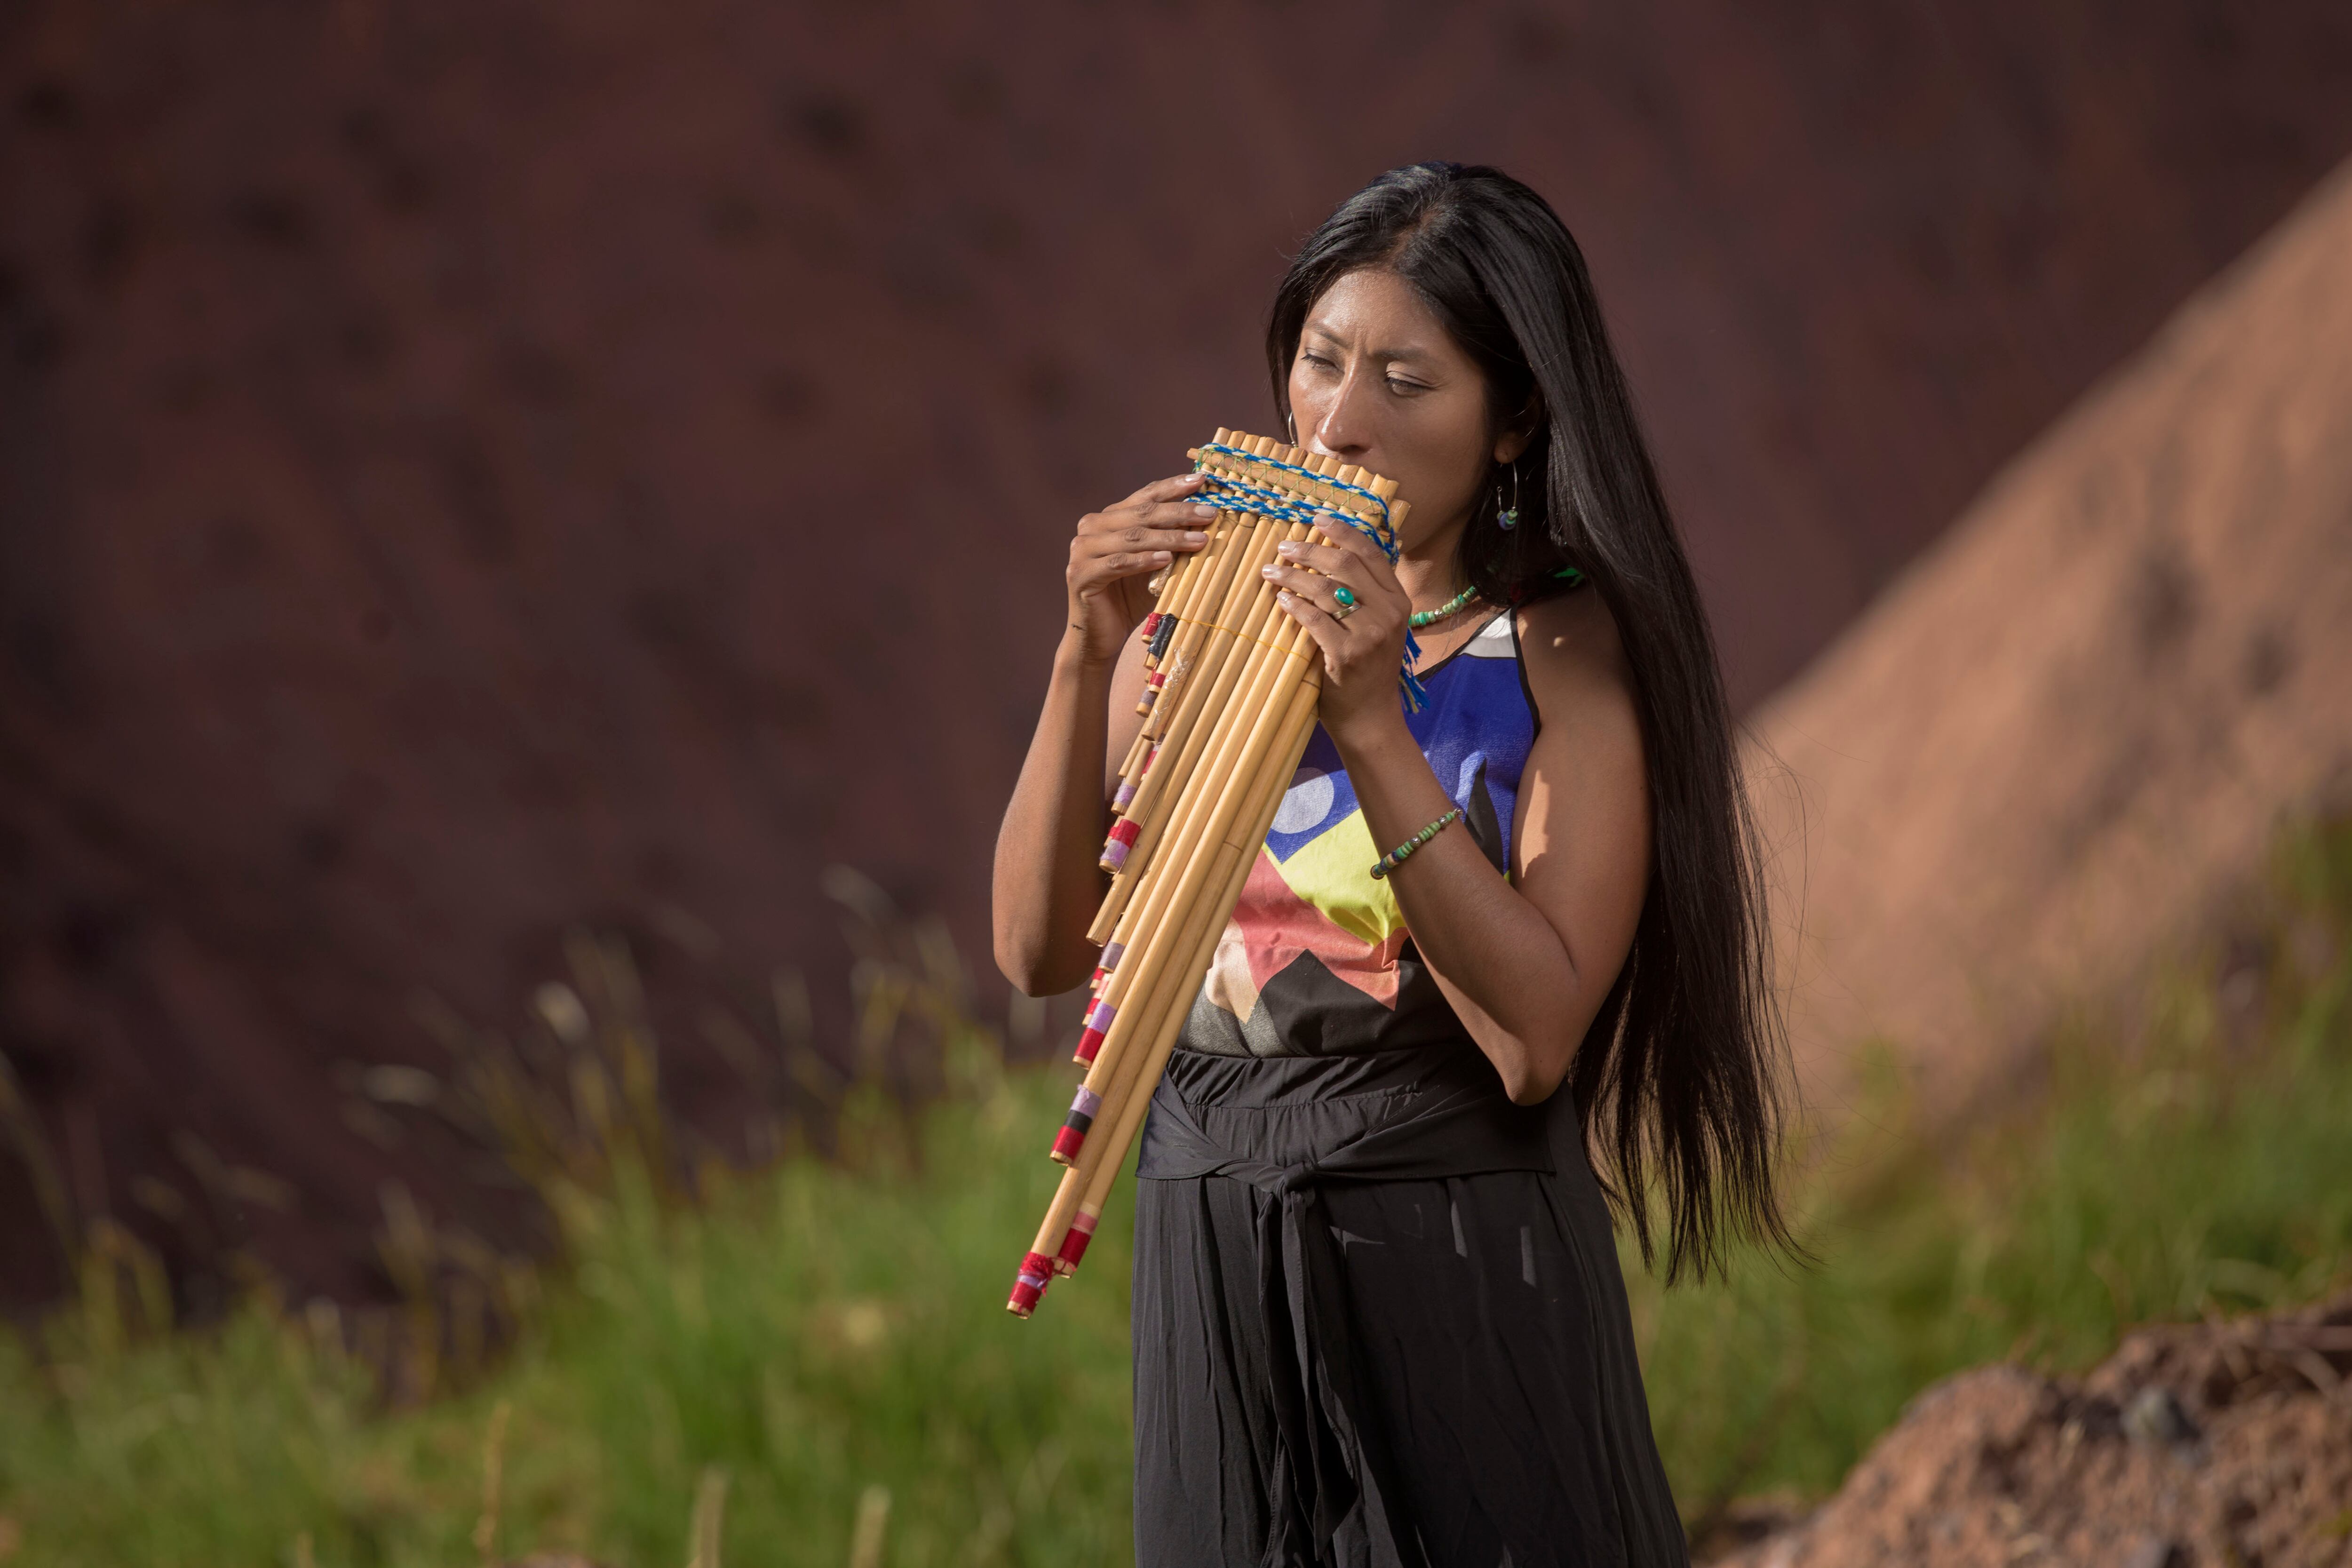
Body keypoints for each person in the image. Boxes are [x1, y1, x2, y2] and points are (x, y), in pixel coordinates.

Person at [992, 162, 1795, 1568]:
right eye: (1320, 362)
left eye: (1407, 384)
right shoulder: (1201, 625)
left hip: (1457, 1253)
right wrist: (1085, 652)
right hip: (1217, 1253)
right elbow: (1042, 953)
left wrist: (1372, 723)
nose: (1342, 421)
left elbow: (1535, 1037)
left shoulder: (1561, 650)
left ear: (1515, 420)